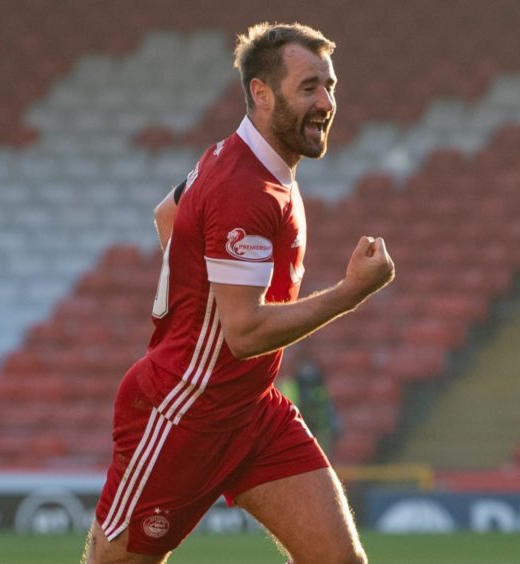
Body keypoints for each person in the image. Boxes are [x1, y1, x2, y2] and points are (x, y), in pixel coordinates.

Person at [84, 21, 395, 564]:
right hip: (185, 410)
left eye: (330, 86)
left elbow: (169, 216)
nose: (326, 102)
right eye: (309, 88)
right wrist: (349, 292)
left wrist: (196, 292)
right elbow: (246, 333)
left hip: (250, 411)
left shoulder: (242, 162)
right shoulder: (244, 187)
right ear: (261, 93)